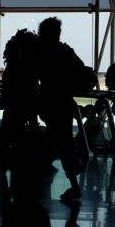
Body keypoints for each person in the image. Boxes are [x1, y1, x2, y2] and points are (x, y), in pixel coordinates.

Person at [36, 17, 88, 203]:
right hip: (64, 103)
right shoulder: (66, 51)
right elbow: (81, 70)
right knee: (61, 143)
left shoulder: (41, 53)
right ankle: (73, 183)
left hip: (51, 103)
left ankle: (69, 184)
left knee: (55, 144)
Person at [0, 29, 39, 174]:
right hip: (27, 105)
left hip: (14, 107)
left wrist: (1, 100)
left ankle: (6, 161)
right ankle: (20, 163)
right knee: (21, 134)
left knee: (6, 132)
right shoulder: (29, 66)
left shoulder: (14, 67)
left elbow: (10, 88)